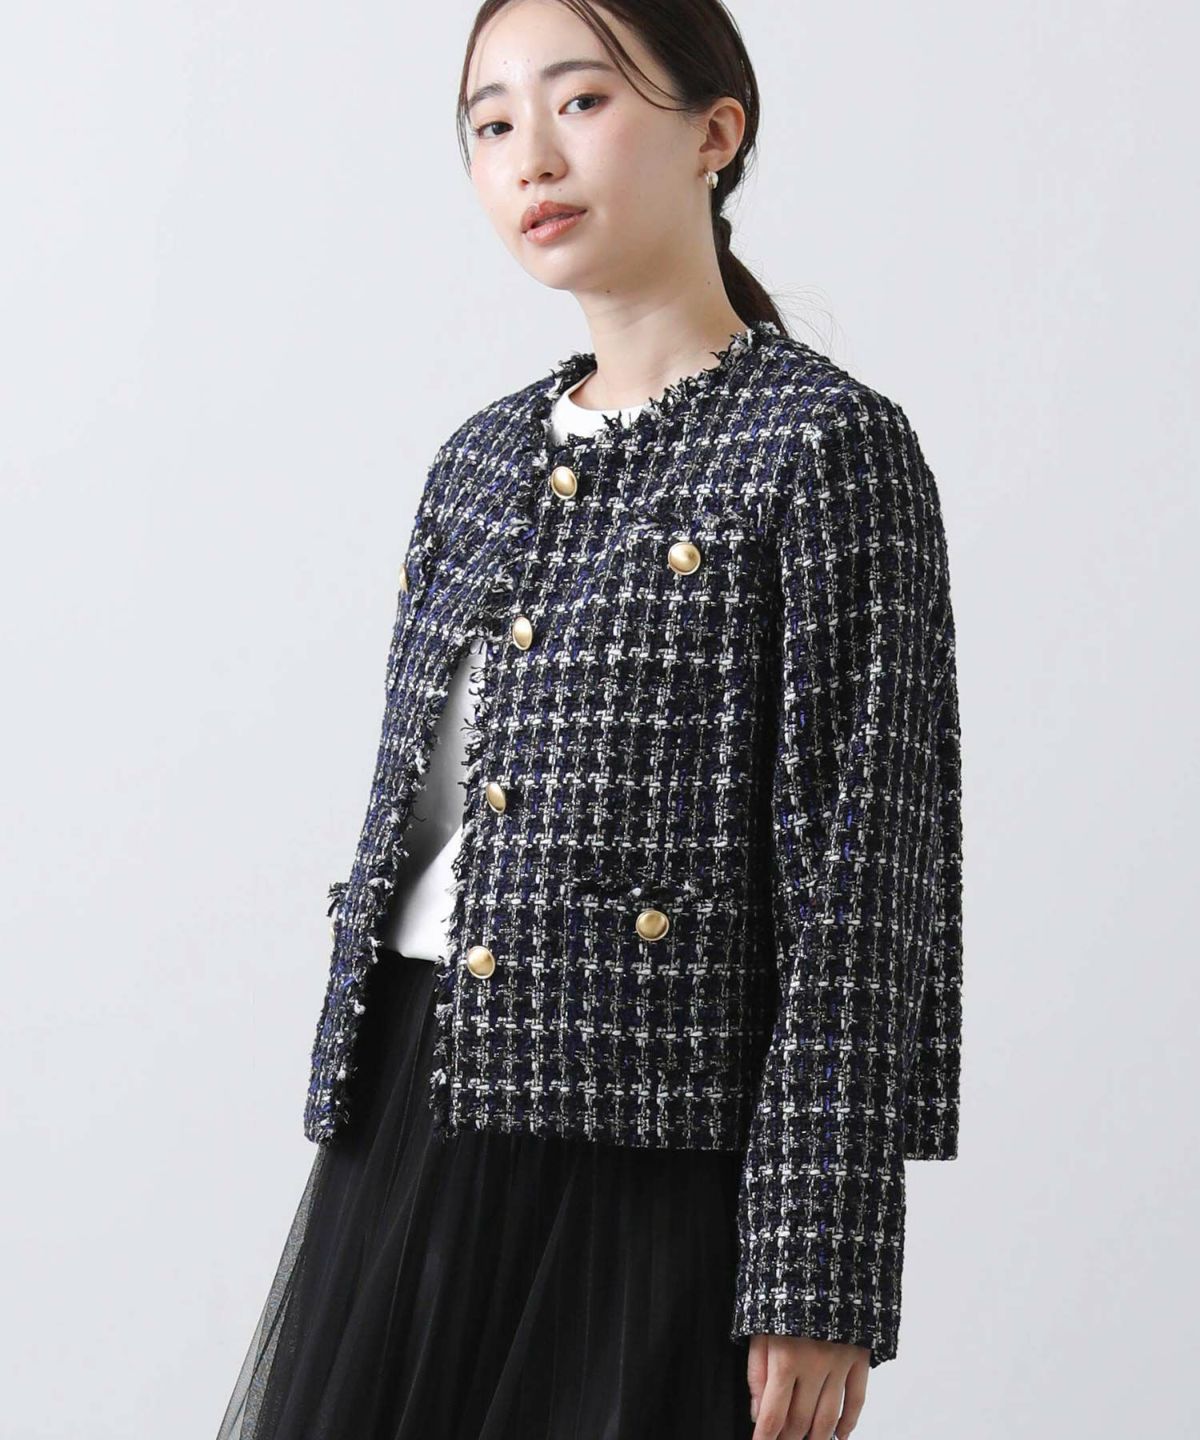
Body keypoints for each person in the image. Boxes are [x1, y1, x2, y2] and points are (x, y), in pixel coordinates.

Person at [215, 2, 964, 1438]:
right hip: (414, 1101)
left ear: (715, 131)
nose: (531, 158)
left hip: (650, 1145)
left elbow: (865, 890)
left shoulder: (825, 447)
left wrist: (819, 1265)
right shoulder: (478, 460)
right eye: (491, 124)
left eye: (581, 102)